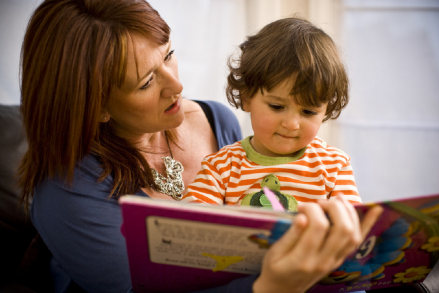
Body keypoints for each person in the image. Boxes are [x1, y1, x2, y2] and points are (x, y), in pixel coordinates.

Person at [18, 1, 382, 293]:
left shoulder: (216, 119)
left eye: (168, 54)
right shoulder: (64, 190)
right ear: (95, 105)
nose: (176, 84)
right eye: (147, 81)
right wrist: (272, 284)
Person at [182, 17, 361, 212]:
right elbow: (190, 223)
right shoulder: (221, 167)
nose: (292, 124)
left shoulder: (335, 167)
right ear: (247, 97)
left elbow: (355, 230)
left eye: (308, 112)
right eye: (277, 106)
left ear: (325, 110)